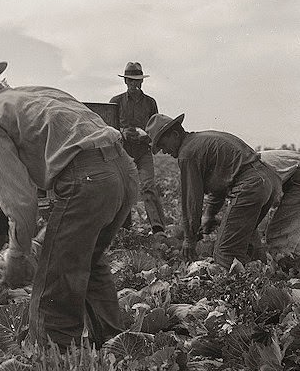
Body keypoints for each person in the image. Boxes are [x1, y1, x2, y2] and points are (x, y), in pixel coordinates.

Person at [0, 50, 138, 350]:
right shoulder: (36, 92)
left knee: (53, 291)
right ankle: (118, 351)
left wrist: (18, 256)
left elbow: (21, 202)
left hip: (86, 181)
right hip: (123, 170)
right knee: (89, 263)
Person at [146, 113, 281, 267]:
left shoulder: (187, 154)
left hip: (250, 185)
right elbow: (220, 186)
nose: (164, 151)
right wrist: (209, 215)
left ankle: (241, 287)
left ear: (175, 135)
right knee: (245, 236)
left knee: (225, 252)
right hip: (267, 181)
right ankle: (261, 277)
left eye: (163, 145)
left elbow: (191, 201)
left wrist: (189, 239)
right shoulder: (199, 140)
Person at [201, 149, 300, 255]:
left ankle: (284, 265)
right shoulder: (232, 169)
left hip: (296, 173)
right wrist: (208, 217)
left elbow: (245, 218)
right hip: (288, 173)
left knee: (280, 233)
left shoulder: (240, 176)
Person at [109, 62, 166, 237]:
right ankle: (125, 229)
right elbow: (108, 129)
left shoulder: (150, 103)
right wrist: (122, 132)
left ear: (142, 82)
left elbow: (157, 128)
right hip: (123, 152)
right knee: (124, 189)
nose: (134, 85)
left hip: (143, 151)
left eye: (137, 81)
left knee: (148, 185)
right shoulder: (116, 102)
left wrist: (146, 135)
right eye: (131, 81)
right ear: (125, 81)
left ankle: (158, 229)